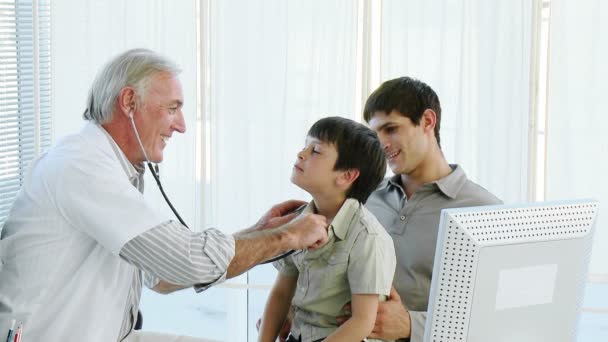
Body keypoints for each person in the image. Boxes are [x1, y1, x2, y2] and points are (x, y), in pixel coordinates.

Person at [0, 49, 328, 342]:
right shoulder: (82, 166)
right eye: (172, 109)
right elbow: (185, 263)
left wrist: (261, 230)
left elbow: (160, 275)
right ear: (129, 103)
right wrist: (289, 236)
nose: (181, 126)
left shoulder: (116, 168)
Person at [350, 76, 502, 341]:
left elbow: (494, 317)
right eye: (375, 134)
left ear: (428, 121)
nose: (381, 144)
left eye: (391, 129)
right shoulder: (364, 198)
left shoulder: (485, 210)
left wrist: (412, 325)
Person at [258, 117, 396, 342]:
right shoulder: (300, 221)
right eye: (305, 146)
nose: (301, 154)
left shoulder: (368, 236)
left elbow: (362, 322)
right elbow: (282, 293)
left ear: (347, 176)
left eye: (316, 151)